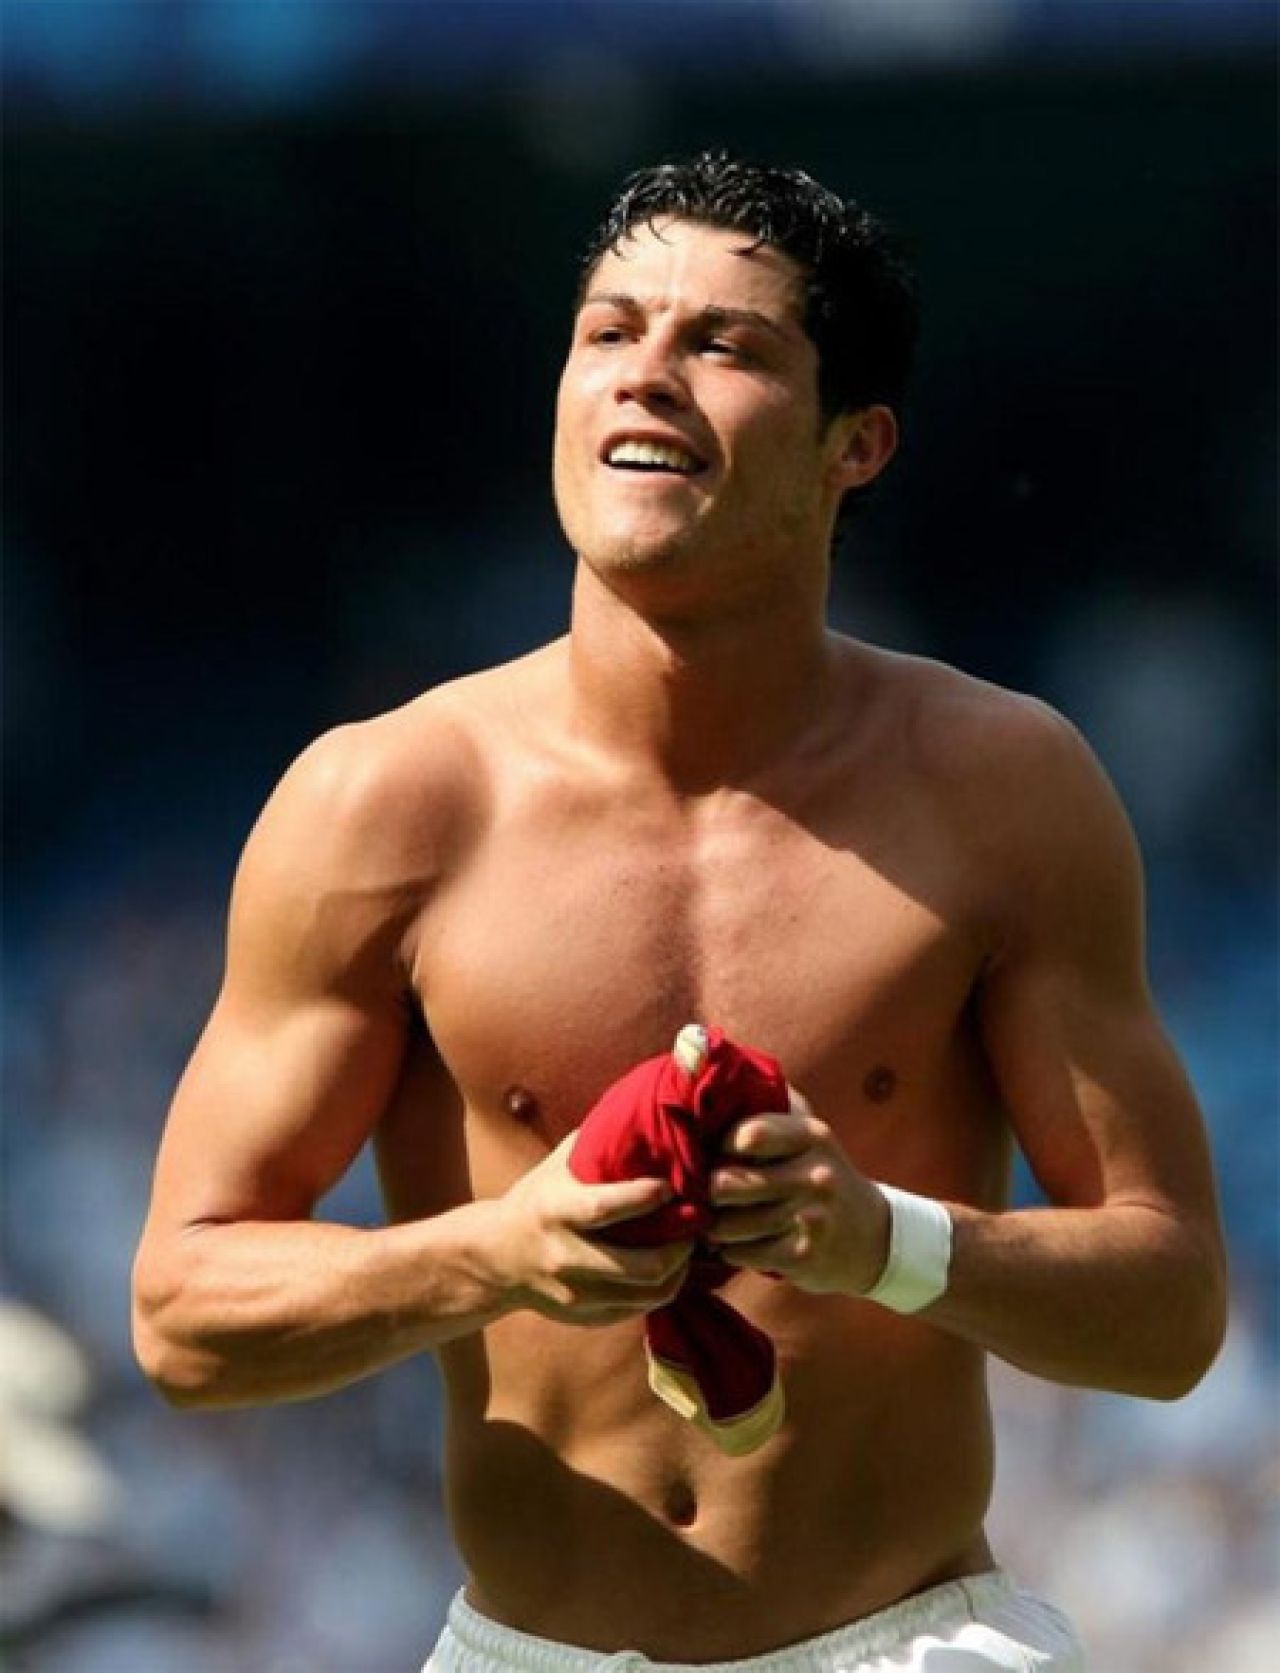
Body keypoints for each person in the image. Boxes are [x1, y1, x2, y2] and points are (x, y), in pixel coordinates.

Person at [132, 153, 1228, 1671]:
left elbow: (1172, 1312)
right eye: (609, 331)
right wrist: (499, 1252)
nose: (646, 374)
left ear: (857, 444)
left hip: (914, 1642)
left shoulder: (1006, 788)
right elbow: (183, 1315)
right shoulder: (379, 803)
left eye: (725, 344)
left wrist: (886, 1241)